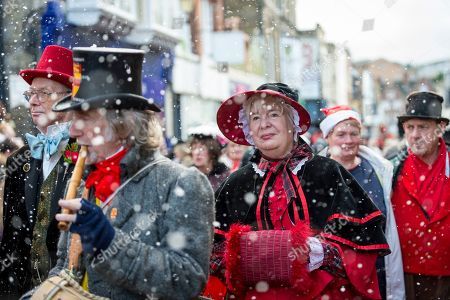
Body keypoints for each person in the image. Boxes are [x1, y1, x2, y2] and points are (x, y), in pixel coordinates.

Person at [39, 47, 213, 299]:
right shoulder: (85, 182)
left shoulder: (180, 182)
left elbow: (187, 280)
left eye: (84, 118)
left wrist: (110, 243)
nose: (73, 132)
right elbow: (66, 268)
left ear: (121, 123)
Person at [212, 83, 390, 299]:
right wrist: (238, 257)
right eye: (255, 117)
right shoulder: (236, 182)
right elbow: (212, 252)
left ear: (293, 123)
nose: (263, 124)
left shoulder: (327, 172)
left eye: (273, 114)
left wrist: (322, 253)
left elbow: (362, 246)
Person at [0, 45, 74, 297]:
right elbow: (11, 242)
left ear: (69, 98)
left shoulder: (86, 157)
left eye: (44, 93)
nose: (33, 100)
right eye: (31, 93)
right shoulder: (19, 160)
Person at [318, 105, 405, 300]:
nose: (348, 140)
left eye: (353, 134)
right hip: (334, 275)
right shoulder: (315, 174)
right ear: (327, 137)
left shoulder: (379, 169)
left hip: (378, 270)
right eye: (341, 134)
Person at [391, 91, 450, 299]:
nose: (414, 135)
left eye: (423, 127)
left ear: (440, 129)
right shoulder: (391, 167)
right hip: (405, 274)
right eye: (410, 127)